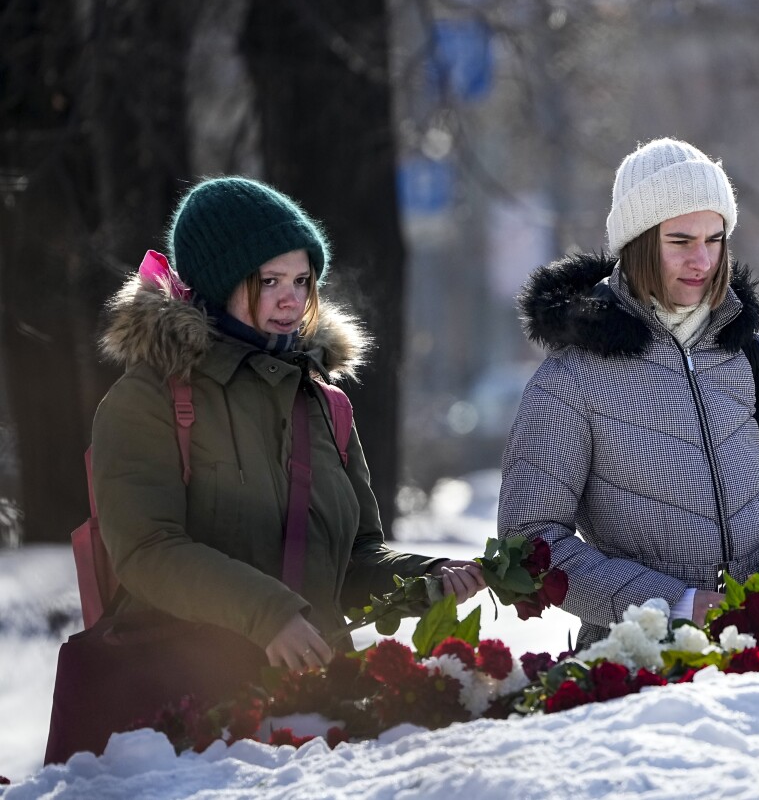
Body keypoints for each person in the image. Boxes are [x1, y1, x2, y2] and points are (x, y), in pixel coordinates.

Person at [91, 177, 486, 672]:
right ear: (218, 283)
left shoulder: (324, 402)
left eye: (301, 281)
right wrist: (267, 614)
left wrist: (427, 576)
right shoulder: (149, 400)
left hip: (316, 697)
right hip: (192, 704)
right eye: (270, 281)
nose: (291, 300)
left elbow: (353, 558)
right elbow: (147, 551)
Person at [499, 138, 759, 648]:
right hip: (634, 670)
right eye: (680, 241)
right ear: (638, 242)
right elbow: (530, 544)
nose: (701, 260)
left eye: (715, 238)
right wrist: (675, 604)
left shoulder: (756, 360)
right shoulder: (570, 380)